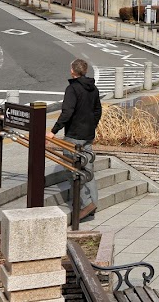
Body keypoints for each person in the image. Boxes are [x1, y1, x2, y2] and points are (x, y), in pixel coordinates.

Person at [48, 58, 103, 220]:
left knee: (72, 170)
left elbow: (67, 112)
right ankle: (93, 204)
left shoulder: (72, 89)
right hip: (87, 135)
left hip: (73, 136)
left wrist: (53, 131)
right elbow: (97, 110)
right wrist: (91, 125)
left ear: (73, 71)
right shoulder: (93, 88)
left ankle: (86, 204)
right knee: (88, 170)